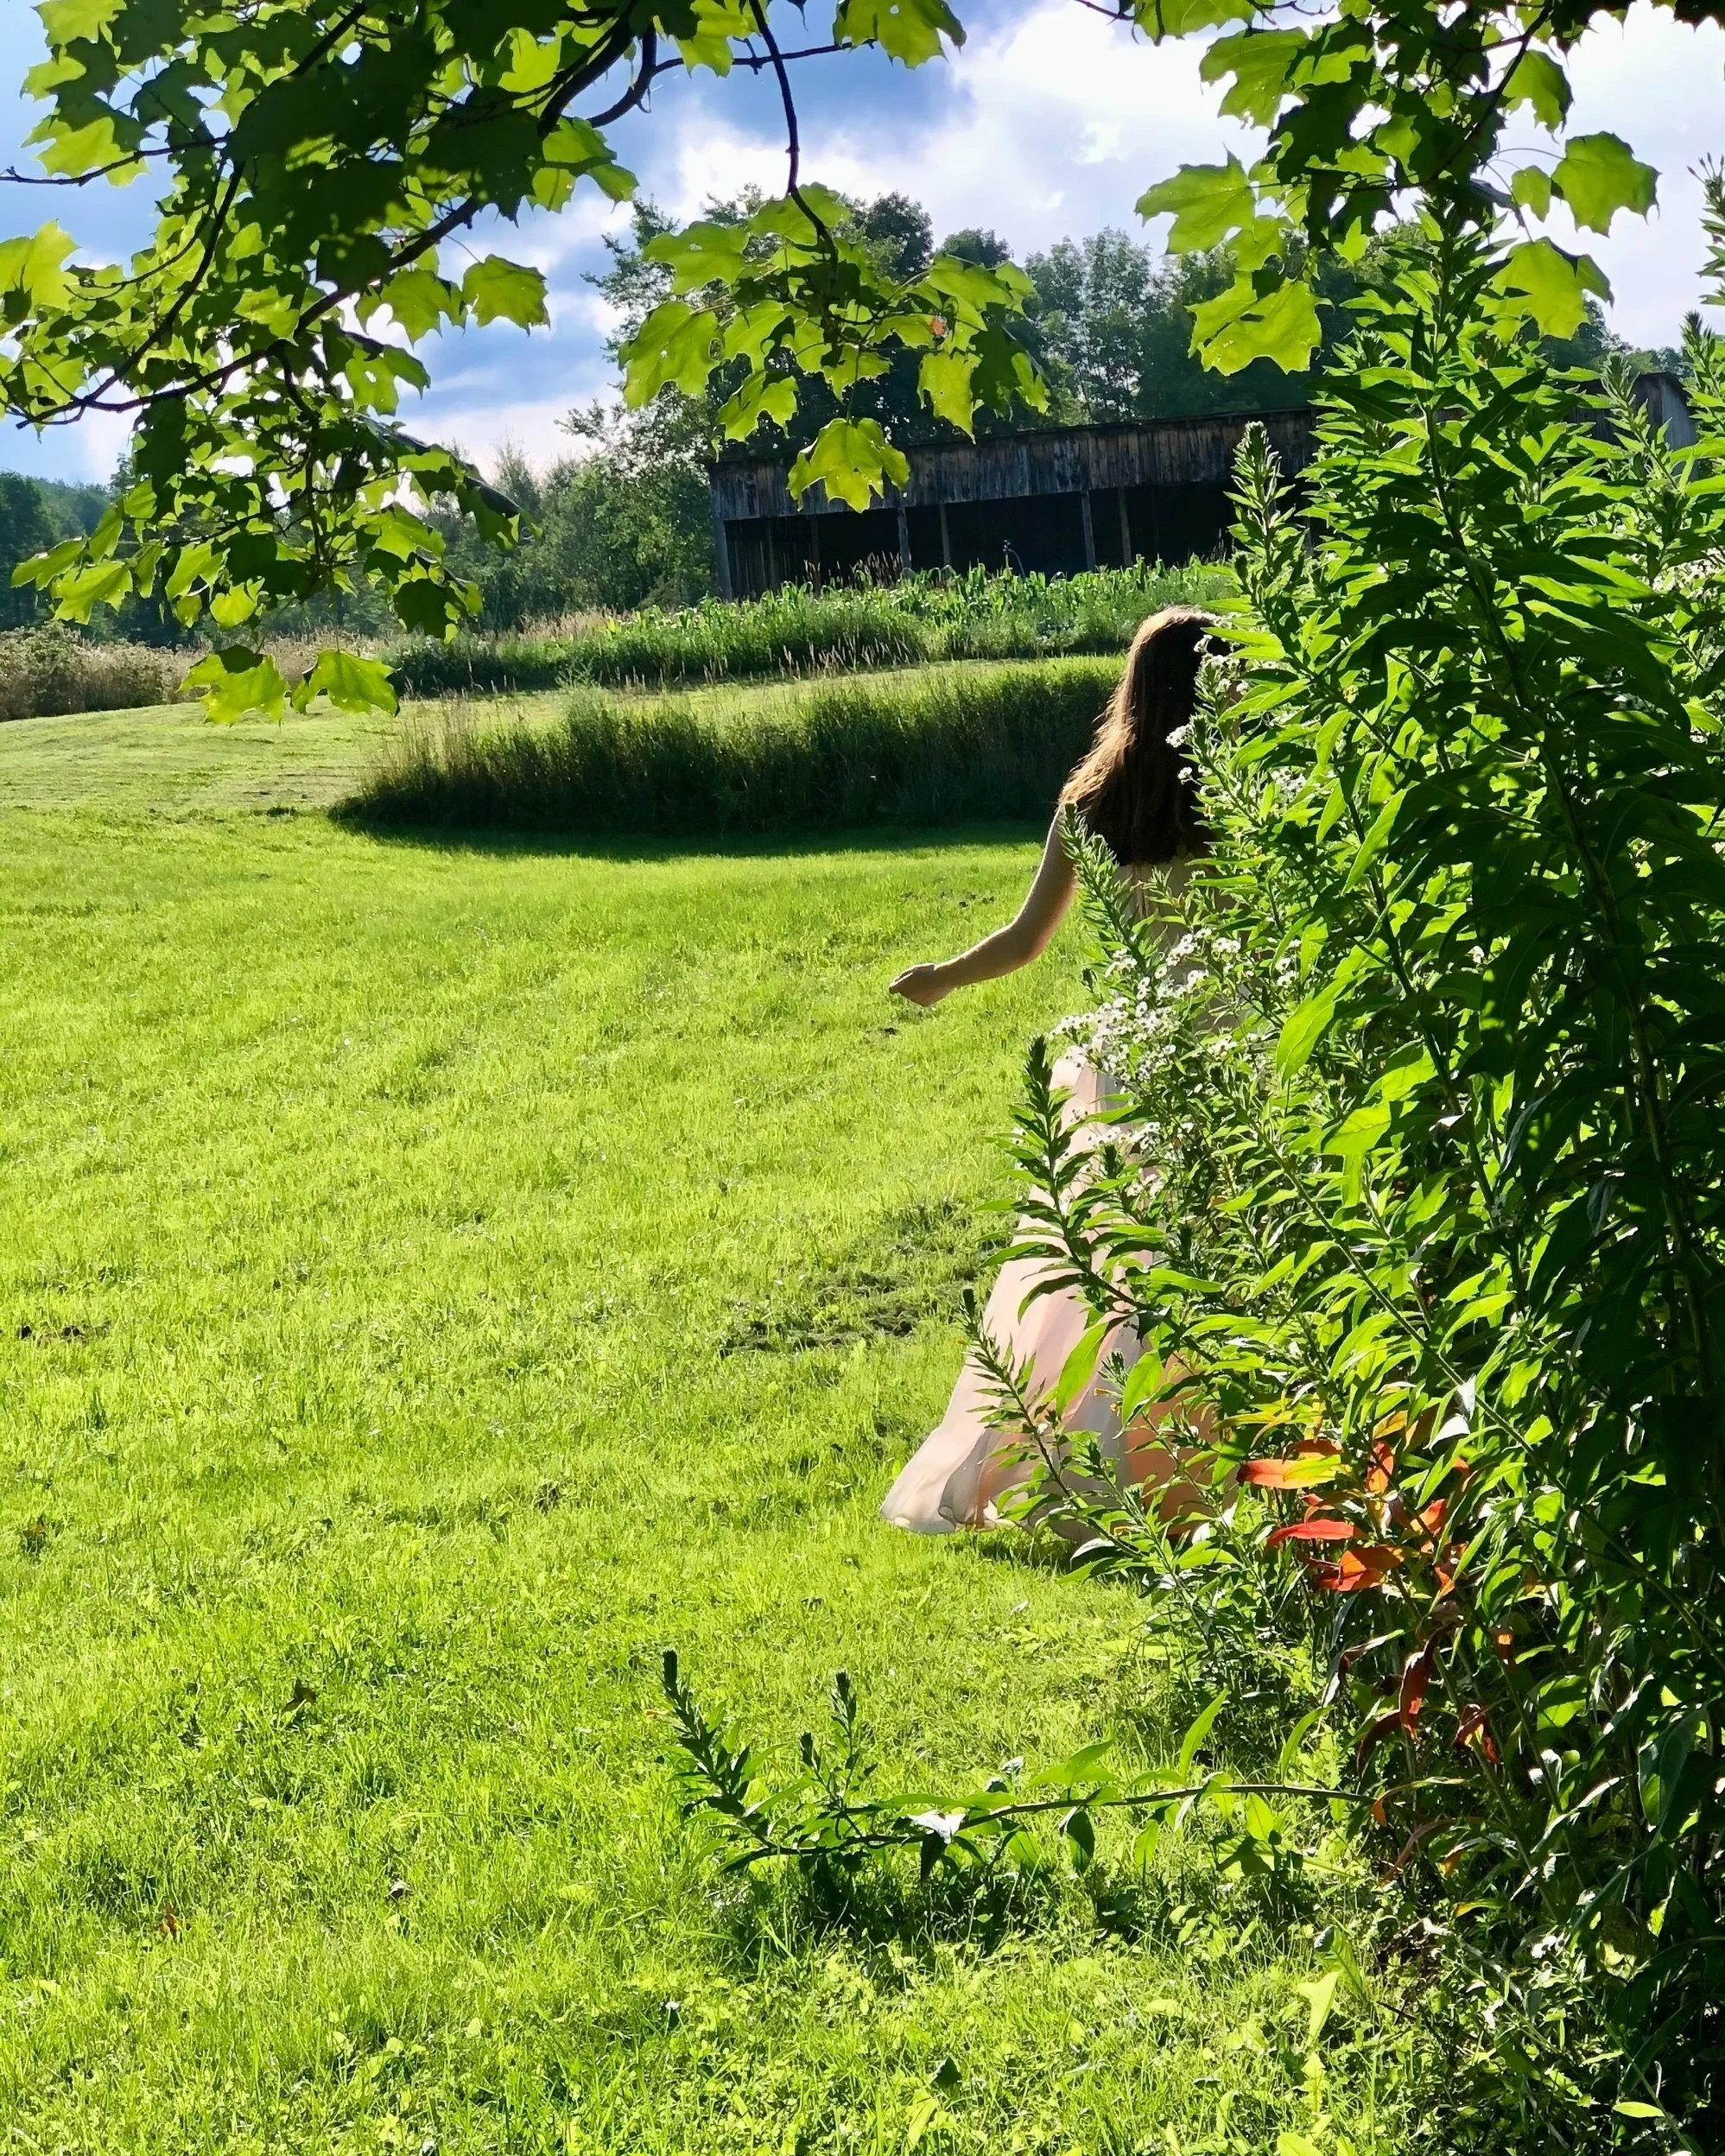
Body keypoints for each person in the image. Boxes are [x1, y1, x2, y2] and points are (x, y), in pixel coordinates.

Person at [880, 606, 1217, 1536]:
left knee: (1107, 1268)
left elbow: (1025, 941)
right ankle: (1218, 1458)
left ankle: (1096, 1455)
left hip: (1130, 1057)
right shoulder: (1243, 796)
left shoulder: (1092, 803)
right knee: (1219, 1250)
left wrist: (940, 978)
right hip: (1232, 1049)